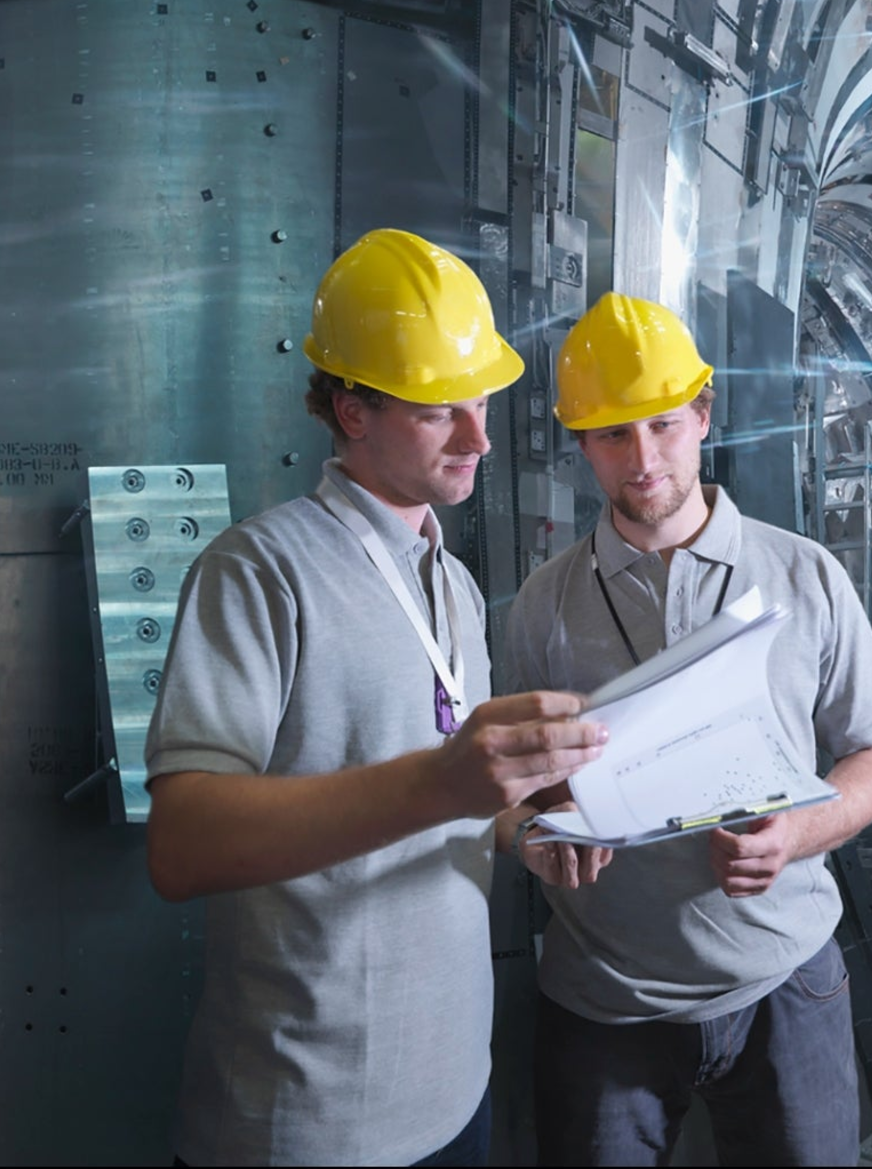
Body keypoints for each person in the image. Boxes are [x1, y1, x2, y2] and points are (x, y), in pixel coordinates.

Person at [144, 228, 610, 1167]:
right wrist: (442, 782)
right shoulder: (260, 569)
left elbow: (454, 798)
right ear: (352, 411)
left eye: (480, 401)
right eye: (441, 413)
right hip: (308, 1118)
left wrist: (527, 828)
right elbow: (182, 846)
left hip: (453, 1088)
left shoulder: (456, 584)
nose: (480, 438)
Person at [496, 292, 872, 1168]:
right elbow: (504, 791)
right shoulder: (542, 605)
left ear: (704, 415)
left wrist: (796, 835)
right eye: (613, 435)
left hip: (785, 979)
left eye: (663, 426)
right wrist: (535, 834)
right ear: (581, 443)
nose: (643, 459)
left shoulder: (806, 575)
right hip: (605, 1000)